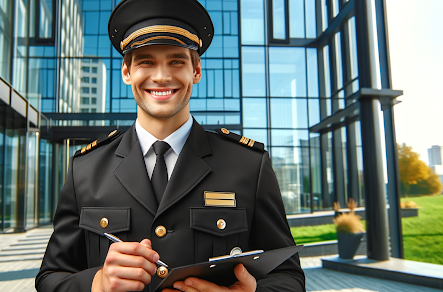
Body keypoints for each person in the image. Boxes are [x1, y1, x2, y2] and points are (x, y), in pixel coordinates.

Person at [35, 0, 305, 291]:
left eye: (176, 60)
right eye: (146, 61)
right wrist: (97, 283)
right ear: (126, 72)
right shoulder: (85, 169)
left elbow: (288, 277)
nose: (161, 76)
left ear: (196, 70)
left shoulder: (249, 165)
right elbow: (51, 278)